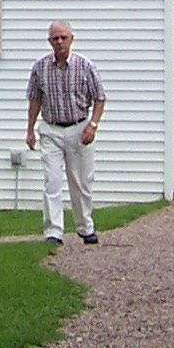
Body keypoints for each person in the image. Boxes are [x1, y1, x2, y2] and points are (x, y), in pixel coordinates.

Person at [25, 20, 106, 247]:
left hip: (79, 127)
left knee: (80, 181)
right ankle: (54, 231)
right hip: (51, 128)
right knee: (52, 180)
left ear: (71, 39)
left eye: (63, 38)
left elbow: (100, 98)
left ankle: (85, 226)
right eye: (55, 38)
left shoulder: (85, 66)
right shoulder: (40, 67)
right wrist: (30, 129)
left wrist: (93, 125)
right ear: (49, 41)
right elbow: (34, 99)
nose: (59, 42)